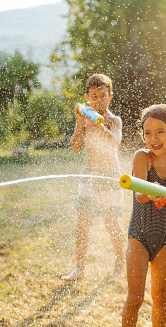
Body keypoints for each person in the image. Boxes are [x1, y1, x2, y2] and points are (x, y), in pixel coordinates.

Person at [121, 104, 166, 327]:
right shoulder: (142, 157)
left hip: (164, 237)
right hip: (138, 236)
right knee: (135, 297)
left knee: (161, 295)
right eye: (147, 132)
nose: (153, 138)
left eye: (160, 131)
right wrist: (152, 192)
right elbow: (139, 195)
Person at [62, 74, 124, 281]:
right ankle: (79, 268)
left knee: (111, 223)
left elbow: (114, 142)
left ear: (110, 97)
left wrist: (100, 125)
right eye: (94, 96)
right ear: (87, 98)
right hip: (89, 176)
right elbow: (76, 147)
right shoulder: (86, 120)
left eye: (103, 96)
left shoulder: (114, 121)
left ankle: (120, 262)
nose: (99, 100)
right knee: (82, 223)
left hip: (110, 178)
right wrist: (80, 123)